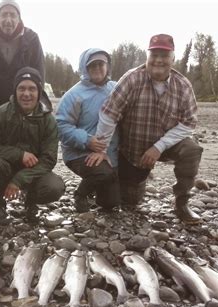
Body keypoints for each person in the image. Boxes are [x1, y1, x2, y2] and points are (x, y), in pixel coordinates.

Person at [96, 34, 203, 224]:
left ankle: (182, 203)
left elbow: (189, 122)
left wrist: (158, 147)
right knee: (129, 202)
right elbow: (108, 114)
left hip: (166, 145)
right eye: (154, 54)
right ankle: (140, 180)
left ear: (173, 58)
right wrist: (101, 150)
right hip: (132, 151)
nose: (159, 60)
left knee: (192, 150)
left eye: (164, 55)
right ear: (147, 56)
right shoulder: (131, 79)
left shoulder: (183, 85)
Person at [0, 67, 65, 223]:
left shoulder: (49, 120)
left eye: (32, 89)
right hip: (4, 168)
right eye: (22, 88)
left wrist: (19, 180)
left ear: (39, 92)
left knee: (54, 186)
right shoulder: (0, 114)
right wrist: (19, 154)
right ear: (15, 91)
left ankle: (30, 202)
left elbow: (49, 159)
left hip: (32, 172)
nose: (26, 94)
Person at [56, 48, 120, 213]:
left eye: (101, 64)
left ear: (107, 66)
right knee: (103, 174)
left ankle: (97, 190)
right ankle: (81, 194)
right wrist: (87, 140)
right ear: (85, 68)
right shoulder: (73, 95)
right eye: (92, 65)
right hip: (78, 153)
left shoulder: (117, 88)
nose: (97, 68)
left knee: (111, 203)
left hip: (109, 152)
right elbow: (61, 127)